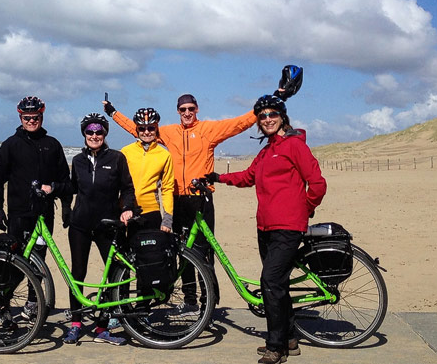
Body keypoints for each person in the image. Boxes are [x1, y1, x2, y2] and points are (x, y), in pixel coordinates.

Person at [104, 66, 302, 315]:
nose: (187, 113)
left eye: (191, 108)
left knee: (204, 252)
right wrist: (113, 113)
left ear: (196, 109)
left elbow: (241, 123)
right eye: (182, 109)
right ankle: (190, 302)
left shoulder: (209, 129)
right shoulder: (168, 132)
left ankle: (209, 301)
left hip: (201, 199)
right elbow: (140, 129)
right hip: (177, 200)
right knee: (180, 251)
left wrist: (275, 98)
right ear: (178, 112)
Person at [205, 94, 326, 364]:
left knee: (269, 283)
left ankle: (275, 347)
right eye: (262, 116)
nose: (267, 119)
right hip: (265, 226)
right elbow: (248, 176)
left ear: (282, 116)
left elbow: (318, 184)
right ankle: (289, 338)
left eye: (272, 114)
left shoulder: (295, 146)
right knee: (278, 285)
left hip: (288, 227)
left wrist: (305, 208)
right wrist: (218, 178)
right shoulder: (267, 150)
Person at [45, 113, 136, 346]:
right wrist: (53, 188)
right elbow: (72, 187)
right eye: (90, 131)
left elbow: (127, 188)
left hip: (108, 225)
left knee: (114, 275)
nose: (94, 135)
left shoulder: (117, 158)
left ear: (105, 134)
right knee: (77, 273)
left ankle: (103, 326)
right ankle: (75, 324)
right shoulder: (77, 160)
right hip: (80, 225)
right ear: (84, 134)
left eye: (99, 131)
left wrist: (127, 208)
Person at [0, 96, 71, 320]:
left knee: (38, 262)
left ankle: (32, 304)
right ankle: (4, 305)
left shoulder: (52, 144)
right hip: (18, 213)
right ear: (20, 118)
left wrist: (66, 206)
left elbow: (65, 180)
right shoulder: (10, 145)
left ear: (42, 117)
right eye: (27, 117)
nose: (31, 121)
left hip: (44, 214)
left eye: (35, 117)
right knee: (13, 261)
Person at [118, 107, 174, 233]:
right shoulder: (125, 151)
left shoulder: (164, 155)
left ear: (157, 129)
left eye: (151, 128)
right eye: (142, 128)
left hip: (151, 210)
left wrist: (167, 217)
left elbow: (167, 188)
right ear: (137, 129)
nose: (146, 132)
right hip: (126, 210)